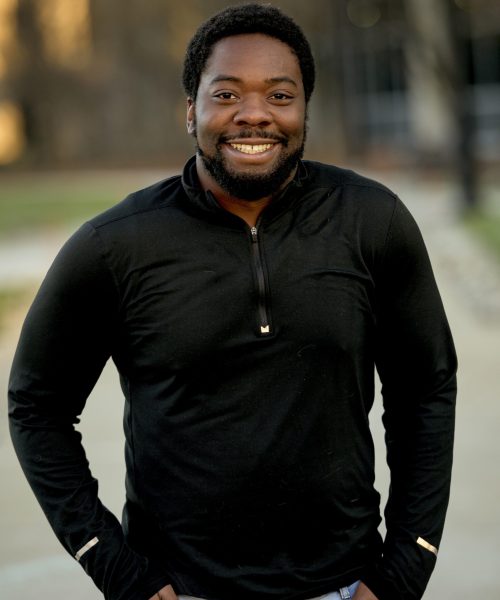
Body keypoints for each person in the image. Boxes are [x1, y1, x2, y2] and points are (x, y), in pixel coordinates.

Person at [8, 4, 457, 600]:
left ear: (303, 111)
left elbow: (425, 389)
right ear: (190, 112)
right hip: (183, 587)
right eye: (226, 94)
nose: (254, 115)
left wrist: (407, 564)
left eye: (279, 95)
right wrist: (115, 567)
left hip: (343, 585)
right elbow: (36, 405)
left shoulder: (372, 222)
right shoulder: (115, 246)